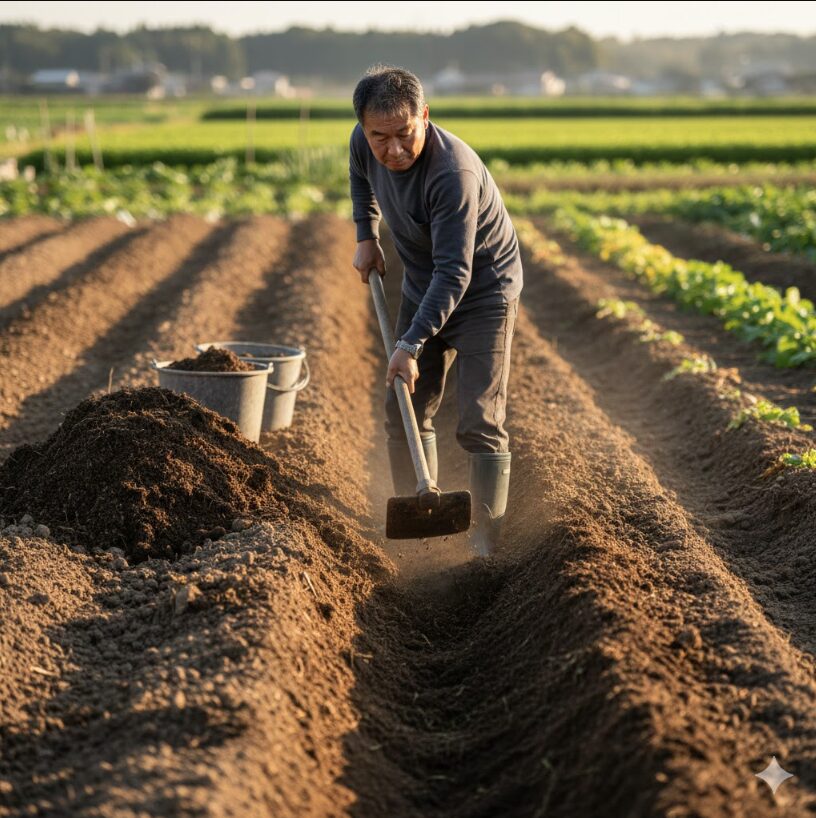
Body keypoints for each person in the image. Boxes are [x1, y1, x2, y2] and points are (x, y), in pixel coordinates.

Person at [349, 65, 523, 556]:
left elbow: (457, 273)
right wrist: (367, 234)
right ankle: (418, 531)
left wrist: (409, 344)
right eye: (380, 137)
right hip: (427, 280)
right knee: (403, 407)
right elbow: (360, 176)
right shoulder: (366, 141)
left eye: (404, 134)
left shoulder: (453, 175)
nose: (393, 149)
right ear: (365, 127)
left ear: (424, 116)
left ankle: (484, 546)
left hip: (483, 292)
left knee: (479, 421)